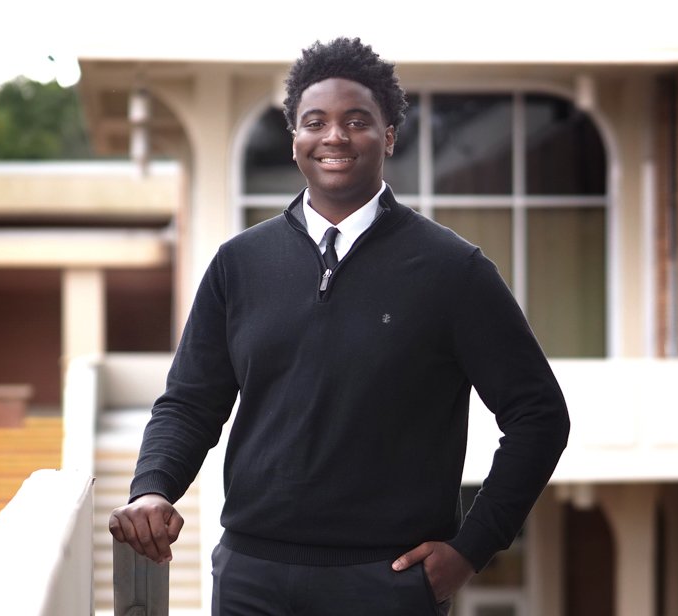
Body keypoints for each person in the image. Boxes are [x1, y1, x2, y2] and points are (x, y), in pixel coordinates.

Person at [109, 37, 570, 616]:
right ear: (295, 138)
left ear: (389, 137)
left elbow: (539, 416)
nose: (334, 136)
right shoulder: (240, 264)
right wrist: (153, 487)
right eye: (315, 122)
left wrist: (471, 549)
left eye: (357, 121)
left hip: (388, 582)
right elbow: (190, 403)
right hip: (253, 578)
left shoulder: (453, 271)